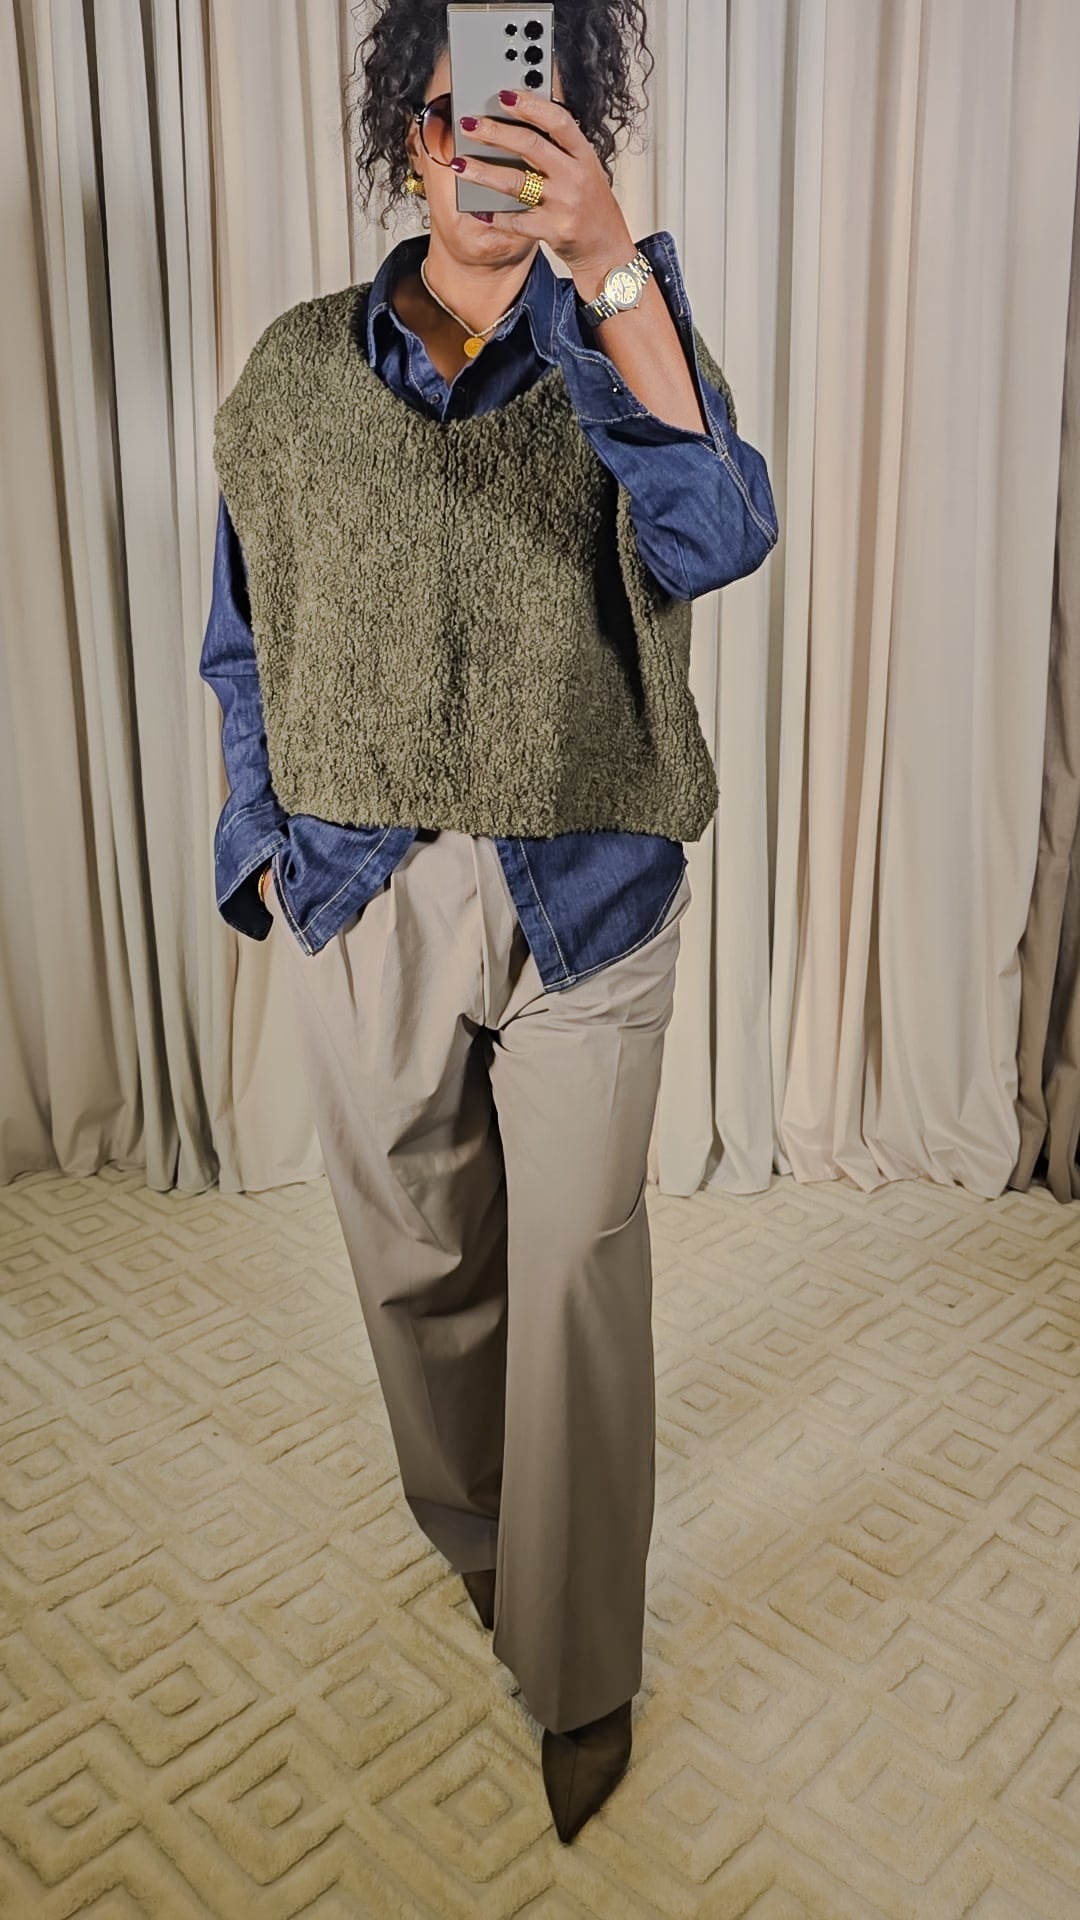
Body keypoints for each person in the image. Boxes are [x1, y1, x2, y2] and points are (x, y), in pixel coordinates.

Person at [200, 0, 778, 1845]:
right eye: (456, 119)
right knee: (419, 1267)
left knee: (581, 1273)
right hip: (361, 888)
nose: (487, 153)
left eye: (533, 118)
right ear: (409, 140)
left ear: (580, 137)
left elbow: (722, 534)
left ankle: (582, 1666)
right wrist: (262, 847)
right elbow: (245, 637)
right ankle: (474, 1538)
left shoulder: (626, 338)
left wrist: (611, 272)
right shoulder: (295, 372)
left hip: (586, 888)